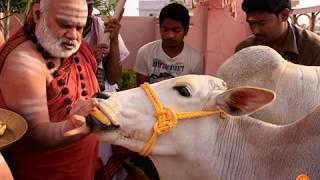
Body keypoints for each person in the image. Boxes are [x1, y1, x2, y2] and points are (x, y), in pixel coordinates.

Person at [0, 0, 100, 179]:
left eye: (79, 28)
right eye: (64, 24)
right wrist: (71, 126)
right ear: (38, 14)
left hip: (85, 169)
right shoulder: (24, 64)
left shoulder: (80, 50)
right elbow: (34, 135)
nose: (73, 36)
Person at [134, 2, 203, 86]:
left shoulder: (195, 59)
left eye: (176, 30)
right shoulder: (145, 52)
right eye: (165, 29)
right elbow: (142, 90)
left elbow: (194, 91)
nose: (170, 35)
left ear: (186, 31)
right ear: (160, 28)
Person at [236, 0, 320, 65]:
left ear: (284, 15)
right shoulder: (244, 49)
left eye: (261, 23)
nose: (255, 31)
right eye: (251, 23)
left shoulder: (314, 50)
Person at [83, 0, 129, 92]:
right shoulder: (58, 31)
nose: (87, 10)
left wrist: (114, 40)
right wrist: (90, 61)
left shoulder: (103, 29)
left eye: (89, 6)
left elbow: (113, 79)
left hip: (103, 97)